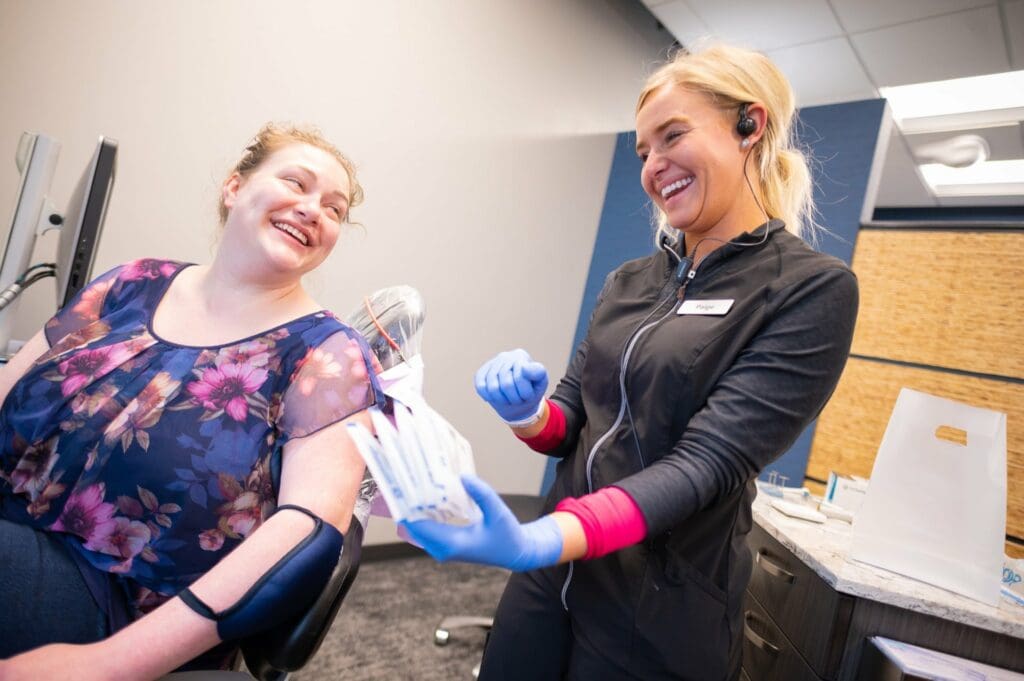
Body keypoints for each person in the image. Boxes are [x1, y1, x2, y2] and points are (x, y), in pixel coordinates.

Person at [401, 42, 859, 680]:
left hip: (660, 601)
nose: (653, 165)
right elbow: (572, 421)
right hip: (552, 577)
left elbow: (706, 465)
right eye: (643, 151)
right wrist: (528, 413)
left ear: (749, 125)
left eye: (673, 136)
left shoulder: (809, 289)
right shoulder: (629, 281)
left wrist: (545, 536)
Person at [0, 123, 384, 678]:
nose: (312, 210)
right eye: (295, 184)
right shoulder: (132, 282)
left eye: (334, 208)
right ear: (233, 188)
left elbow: (307, 532)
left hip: (118, 610)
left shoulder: (327, 356)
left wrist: (106, 664)